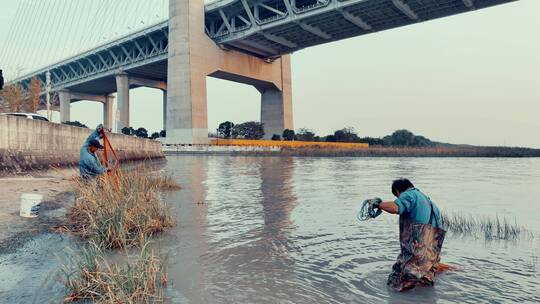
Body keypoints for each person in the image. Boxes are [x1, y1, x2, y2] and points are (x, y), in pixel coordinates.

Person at [375, 178, 446, 291]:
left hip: (417, 253)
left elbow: (395, 208)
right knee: (424, 285)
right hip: (432, 255)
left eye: (397, 197)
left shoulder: (409, 195)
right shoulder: (429, 202)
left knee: (396, 284)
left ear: (398, 191)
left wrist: (378, 204)